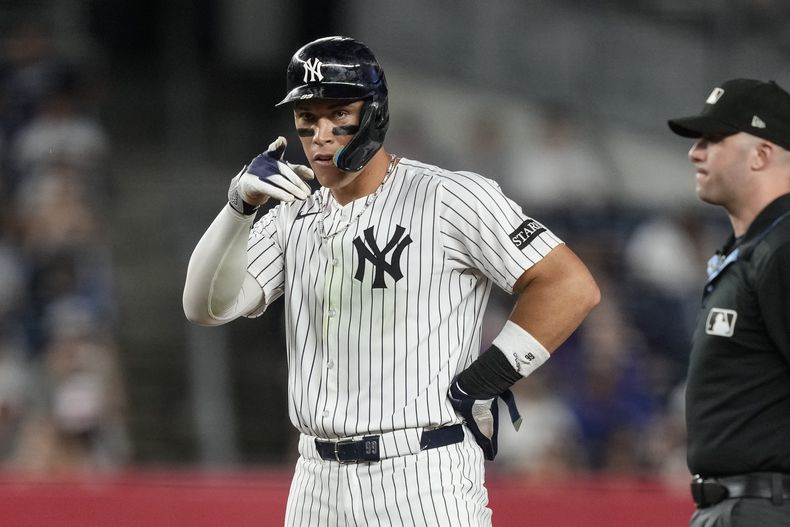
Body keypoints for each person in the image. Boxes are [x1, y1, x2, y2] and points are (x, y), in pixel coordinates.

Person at [183, 36, 600, 526]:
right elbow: (205, 307)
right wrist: (238, 207)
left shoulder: (447, 196)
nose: (320, 132)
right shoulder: (290, 214)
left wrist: (489, 378)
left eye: (337, 112)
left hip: (420, 472)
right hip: (315, 479)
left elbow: (569, 284)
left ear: (374, 112)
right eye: (307, 116)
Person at [668, 78, 790, 526]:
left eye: (713, 139)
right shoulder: (753, 249)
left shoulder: (783, 249)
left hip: (766, 507)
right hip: (738, 507)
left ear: (761, 154)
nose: (694, 152)